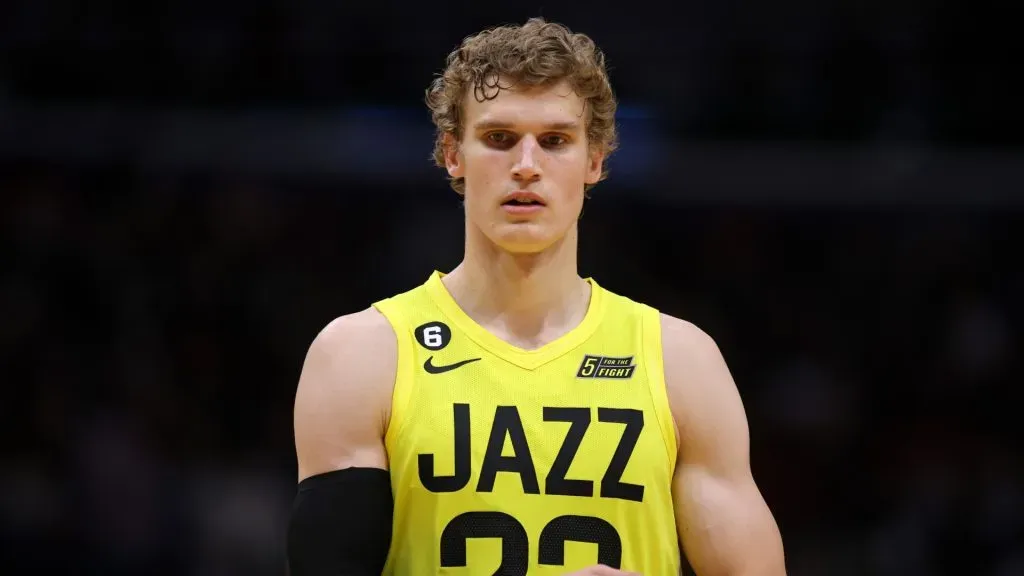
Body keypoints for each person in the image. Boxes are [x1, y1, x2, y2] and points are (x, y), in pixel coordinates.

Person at [286, 17, 786, 576]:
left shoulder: (680, 360)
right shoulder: (363, 354)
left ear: (594, 160)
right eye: (499, 139)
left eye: (555, 141)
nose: (526, 166)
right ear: (453, 154)